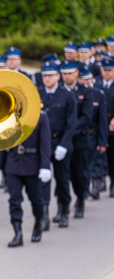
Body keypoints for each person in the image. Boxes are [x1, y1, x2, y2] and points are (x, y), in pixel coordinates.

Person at [0, 111, 52, 246]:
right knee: (14, 200)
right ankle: (17, 232)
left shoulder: (40, 116)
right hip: (13, 163)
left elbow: (45, 143)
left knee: (36, 199)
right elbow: (3, 141)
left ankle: (38, 223)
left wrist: (45, 166)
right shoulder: (8, 116)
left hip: (33, 164)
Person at [38, 64, 77, 228]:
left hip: (60, 141)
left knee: (62, 179)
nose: (47, 78)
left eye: (51, 75)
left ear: (57, 77)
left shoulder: (66, 95)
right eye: (45, 75)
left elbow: (71, 123)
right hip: (43, 144)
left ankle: (64, 210)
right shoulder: (37, 94)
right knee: (43, 179)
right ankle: (44, 214)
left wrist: (64, 145)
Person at [60, 62, 94, 219]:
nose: (67, 76)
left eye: (70, 73)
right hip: (60, 141)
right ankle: (63, 206)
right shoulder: (58, 91)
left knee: (78, 173)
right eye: (64, 73)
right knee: (61, 175)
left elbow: (87, 117)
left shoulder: (85, 92)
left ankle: (80, 199)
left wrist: (68, 129)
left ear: (76, 73)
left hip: (78, 140)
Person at [79, 65, 108, 199]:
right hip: (79, 134)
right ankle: (83, 191)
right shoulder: (76, 94)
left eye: (90, 79)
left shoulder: (98, 94)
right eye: (85, 80)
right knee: (82, 165)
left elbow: (102, 120)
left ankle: (95, 187)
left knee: (94, 162)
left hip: (93, 133)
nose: (88, 83)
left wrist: (103, 141)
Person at [96, 58, 114, 196]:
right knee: (99, 155)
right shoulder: (97, 84)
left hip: (112, 123)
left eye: (109, 70)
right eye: (104, 70)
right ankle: (99, 181)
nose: (107, 73)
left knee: (112, 156)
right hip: (100, 124)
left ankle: (113, 183)